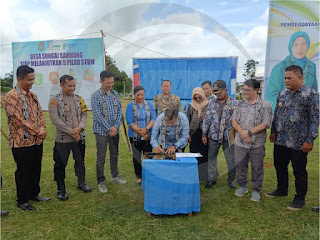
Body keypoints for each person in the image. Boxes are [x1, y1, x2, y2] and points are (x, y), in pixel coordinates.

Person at [265, 65, 319, 210]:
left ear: (300, 77)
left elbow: (314, 119)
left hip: (299, 142)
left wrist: (310, 140)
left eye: (289, 78)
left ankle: (300, 198)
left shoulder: (311, 94)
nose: (286, 81)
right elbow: (277, 113)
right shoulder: (283, 93)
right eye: (285, 78)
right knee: (279, 165)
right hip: (281, 140)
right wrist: (273, 131)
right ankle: (282, 190)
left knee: (299, 170)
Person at [3, 65, 50, 210]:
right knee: (24, 171)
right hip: (21, 142)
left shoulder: (33, 96)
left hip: (36, 140)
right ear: (19, 79)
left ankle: (34, 194)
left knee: (36, 168)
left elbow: (40, 114)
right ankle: (22, 200)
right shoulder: (11, 96)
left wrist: (42, 129)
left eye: (33, 79)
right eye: (29, 80)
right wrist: (37, 130)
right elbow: (18, 120)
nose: (32, 82)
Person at [49, 75, 91, 201]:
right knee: (60, 164)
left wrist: (79, 128)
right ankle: (61, 189)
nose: (73, 88)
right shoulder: (54, 100)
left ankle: (81, 183)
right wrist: (72, 132)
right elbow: (55, 119)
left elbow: (84, 114)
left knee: (80, 161)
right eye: (69, 86)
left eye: (74, 85)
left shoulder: (79, 99)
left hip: (79, 138)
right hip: (62, 140)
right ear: (61, 85)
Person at [232, 79, 272, 202]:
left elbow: (265, 124)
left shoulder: (265, 105)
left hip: (257, 143)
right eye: (243, 89)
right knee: (240, 165)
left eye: (248, 90)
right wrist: (242, 133)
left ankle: (256, 189)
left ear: (256, 90)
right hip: (240, 141)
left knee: (257, 167)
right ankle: (242, 186)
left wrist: (249, 132)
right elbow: (234, 120)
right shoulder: (239, 104)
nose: (245, 92)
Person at [91, 70, 127, 194]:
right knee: (101, 156)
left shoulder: (115, 94)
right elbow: (97, 115)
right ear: (101, 81)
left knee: (114, 154)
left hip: (115, 131)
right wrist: (109, 128)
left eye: (112, 82)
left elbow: (119, 112)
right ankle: (101, 181)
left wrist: (115, 127)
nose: (110, 85)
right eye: (108, 83)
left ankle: (115, 176)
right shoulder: (96, 95)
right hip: (101, 131)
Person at [266, 31, 318, 112]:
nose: (299, 48)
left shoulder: (312, 67)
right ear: (290, 46)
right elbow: (271, 96)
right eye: (296, 45)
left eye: (303, 44)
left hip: (305, 117)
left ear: (308, 45)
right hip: (285, 116)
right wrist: (286, 110)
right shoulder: (280, 68)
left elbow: (314, 92)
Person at [202, 80, 237, 189]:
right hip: (213, 135)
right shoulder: (212, 103)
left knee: (231, 159)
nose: (217, 94)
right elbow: (207, 118)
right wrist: (204, 133)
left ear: (226, 90)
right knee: (211, 158)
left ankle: (231, 180)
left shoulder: (234, 103)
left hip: (228, 136)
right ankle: (212, 179)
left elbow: (238, 120)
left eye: (219, 92)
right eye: (215, 92)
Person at [125, 85, 156, 185]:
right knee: (137, 157)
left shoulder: (149, 104)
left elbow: (153, 119)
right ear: (134, 95)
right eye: (138, 94)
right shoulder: (130, 106)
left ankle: (148, 175)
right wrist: (140, 131)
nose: (140, 96)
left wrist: (146, 130)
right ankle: (139, 177)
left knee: (148, 156)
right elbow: (130, 122)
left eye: (142, 94)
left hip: (147, 136)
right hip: (135, 136)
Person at [187, 87, 209, 181]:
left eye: (199, 97)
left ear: (203, 96)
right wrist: (188, 134)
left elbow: (210, 119)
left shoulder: (208, 105)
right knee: (194, 154)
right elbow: (188, 120)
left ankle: (203, 176)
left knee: (204, 154)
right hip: (194, 133)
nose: (198, 100)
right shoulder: (191, 106)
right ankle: (194, 175)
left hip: (205, 134)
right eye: (196, 98)